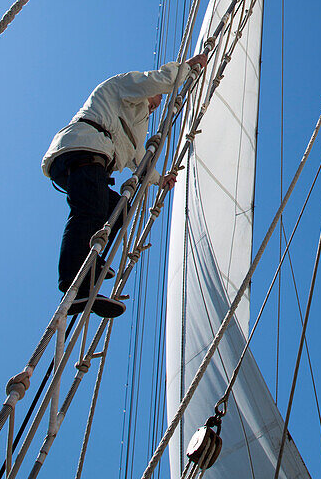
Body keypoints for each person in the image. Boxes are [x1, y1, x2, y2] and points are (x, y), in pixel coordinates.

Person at [43, 55, 207, 318]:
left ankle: (91, 262)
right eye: (157, 100)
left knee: (117, 210)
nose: (157, 105)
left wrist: (159, 179)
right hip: (84, 148)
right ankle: (73, 286)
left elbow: (137, 159)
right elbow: (163, 81)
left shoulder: (134, 122)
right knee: (89, 211)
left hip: (92, 156)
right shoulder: (124, 85)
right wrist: (189, 66)